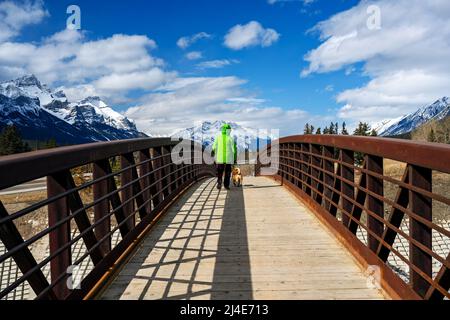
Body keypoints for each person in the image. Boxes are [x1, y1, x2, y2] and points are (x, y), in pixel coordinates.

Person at [212, 123, 237, 190]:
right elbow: (234, 150)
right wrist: (234, 158)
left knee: (220, 171)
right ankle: (226, 185)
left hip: (219, 158)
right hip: (229, 158)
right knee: (228, 172)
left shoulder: (218, 138)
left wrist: (213, 154)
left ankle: (219, 182)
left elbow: (214, 147)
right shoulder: (231, 139)